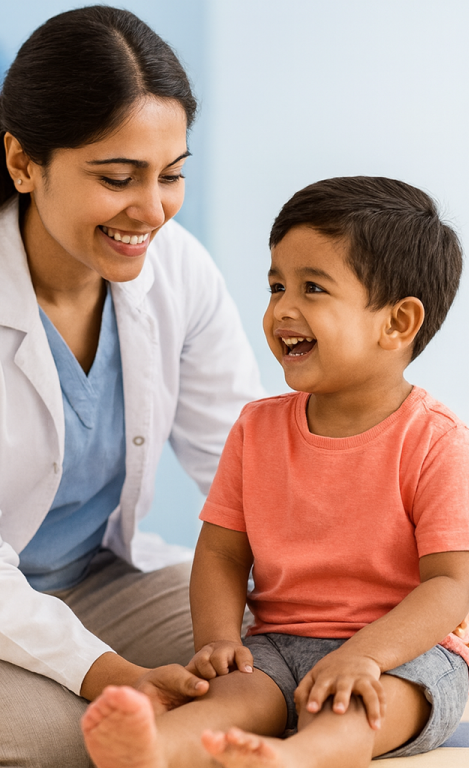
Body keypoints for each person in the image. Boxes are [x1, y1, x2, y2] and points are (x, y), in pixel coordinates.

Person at [79, 176, 469, 768]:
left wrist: (366, 656)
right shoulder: (256, 429)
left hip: (404, 654)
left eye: (313, 288)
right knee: (235, 692)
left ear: (398, 323)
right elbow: (223, 553)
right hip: (276, 643)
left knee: (357, 711)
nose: (283, 310)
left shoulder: (437, 441)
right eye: (276, 286)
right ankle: (158, 746)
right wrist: (220, 640)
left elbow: (452, 585)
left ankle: (298, 758)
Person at [0, 8, 264, 767]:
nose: (151, 211)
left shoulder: (178, 269)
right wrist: (113, 676)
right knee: (54, 734)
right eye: (118, 178)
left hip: (99, 580)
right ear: (23, 163)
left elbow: (245, 469)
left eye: (171, 175)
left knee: (290, 660)